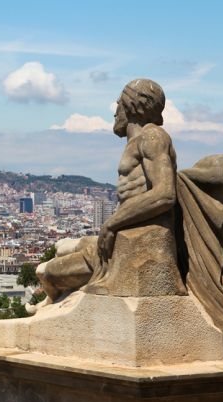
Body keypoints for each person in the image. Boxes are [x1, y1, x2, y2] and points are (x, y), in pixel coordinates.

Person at [30, 78, 184, 311]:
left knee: (47, 272)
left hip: (138, 242)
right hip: (128, 235)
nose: (115, 113)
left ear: (132, 106)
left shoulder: (152, 137)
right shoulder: (139, 141)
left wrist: (111, 224)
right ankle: (53, 297)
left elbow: (164, 194)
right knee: (64, 247)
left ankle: (51, 302)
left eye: (118, 105)